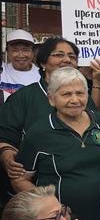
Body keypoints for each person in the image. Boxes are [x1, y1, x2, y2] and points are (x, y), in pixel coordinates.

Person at [10, 67, 100, 220]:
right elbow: (19, 180)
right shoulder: (39, 133)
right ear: (51, 98)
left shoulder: (97, 120)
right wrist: (52, 208)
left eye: (80, 93)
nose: (74, 99)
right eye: (66, 94)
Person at [0, 37, 90, 182]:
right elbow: (4, 138)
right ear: (42, 62)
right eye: (59, 55)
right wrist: (8, 158)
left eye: (72, 56)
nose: (67, 59)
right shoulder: (23, 97)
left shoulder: (84, 98)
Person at [0, 29, 39, 100]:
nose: (21, 55)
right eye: (15, 50)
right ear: (7, 52)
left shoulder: (41, 76)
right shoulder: (2, 71)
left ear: (33, 52)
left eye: (25, 50)